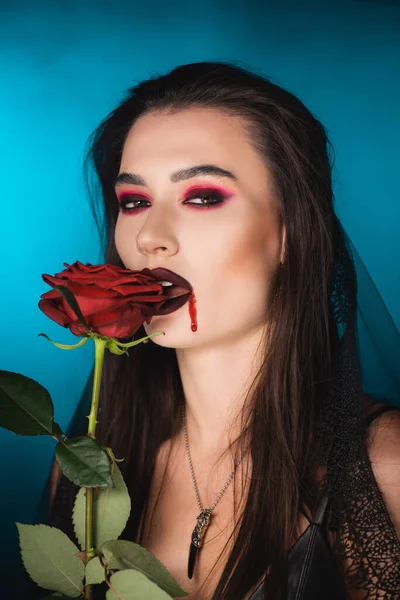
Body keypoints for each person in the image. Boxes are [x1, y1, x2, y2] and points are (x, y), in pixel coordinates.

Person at [31, 61, 400, 599]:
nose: (151, 238)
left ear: (289, 233)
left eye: (202, 197)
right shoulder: (87, 473)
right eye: (133, 201)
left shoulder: (385, 468)